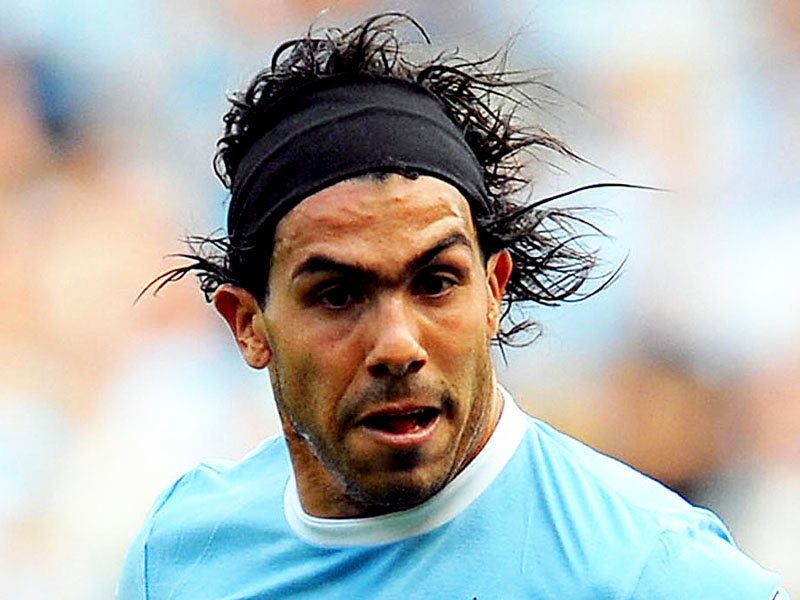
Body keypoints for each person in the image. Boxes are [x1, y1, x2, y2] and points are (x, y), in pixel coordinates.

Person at [117, 13, 788, 599]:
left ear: (494, 289)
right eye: (337, 295)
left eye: (436, 282)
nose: (397, 345)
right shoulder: (180, 554)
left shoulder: (655, 571)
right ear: (248, 325)